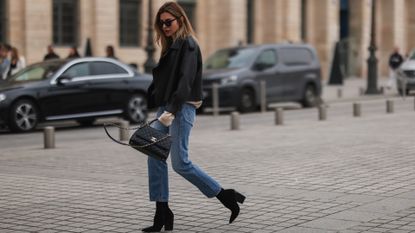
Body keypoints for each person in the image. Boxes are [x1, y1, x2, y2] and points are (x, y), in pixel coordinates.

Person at [143, 2, 245, 232]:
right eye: (161, 23)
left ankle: (224, 195)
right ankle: (162, 212)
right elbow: (164, 80)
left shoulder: (188, 44)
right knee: (154, 155)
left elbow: (186, 80)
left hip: (181, 108)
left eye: (168, 22)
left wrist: (172, 110)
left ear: (180, 19)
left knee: (181, 164)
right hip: (166, 109)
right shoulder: (171, 46)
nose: (165, 26)